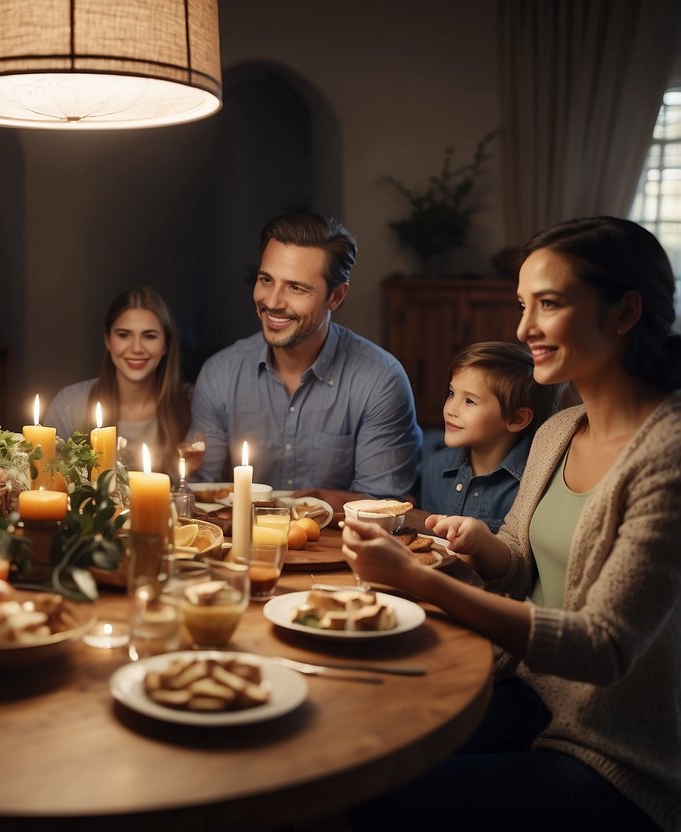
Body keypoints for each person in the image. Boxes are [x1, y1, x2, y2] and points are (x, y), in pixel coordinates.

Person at [343, 217, 681, 831]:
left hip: (616, 757)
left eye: (547, 304)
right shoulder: (558, 431)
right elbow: (520, 559)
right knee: (358, 744)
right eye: (522, 305)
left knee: (375, 798)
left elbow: (603, 646)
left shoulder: (668, 454)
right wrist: (483, 548)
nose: (523, 329)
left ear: (624, 311)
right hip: (532, 696)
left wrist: (422, 582)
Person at [187, 212, 422, 505]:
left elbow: (382, 509)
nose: (272, 302)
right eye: (266, 280)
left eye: (295, 287)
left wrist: (314, 502)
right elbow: (199, 494)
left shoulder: (381, 381)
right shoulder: (219, 373)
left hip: (343, 549)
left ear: (335, 297)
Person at [45, 285, 191, 477]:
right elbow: (47, 479)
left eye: (149, 336)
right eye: (123, 335)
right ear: (107, 340)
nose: (137, 348)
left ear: (166, 345)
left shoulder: (193, 402)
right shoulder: (70, 404)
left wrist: (191, 471)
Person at [419, 341, 564, 532]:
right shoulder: (434, 469)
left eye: (469, 401)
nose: (451, 409)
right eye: (452, 393)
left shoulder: (536, 483)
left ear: (517, 419)